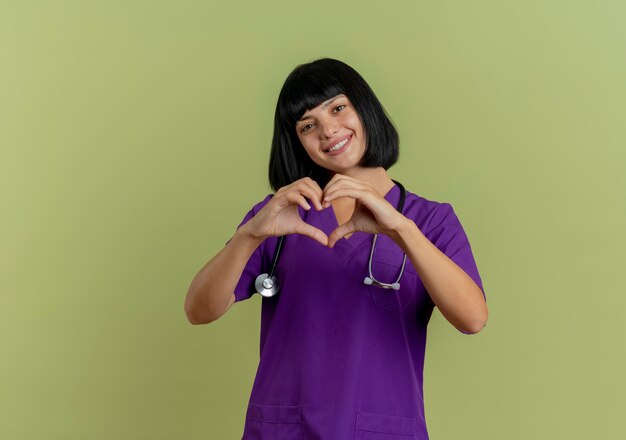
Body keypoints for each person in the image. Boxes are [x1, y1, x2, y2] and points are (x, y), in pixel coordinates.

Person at [184, 57, 488, 439]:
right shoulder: (279, 215)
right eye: (307, 125)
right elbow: (198, 310)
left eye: (338, 108)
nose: (328, 130)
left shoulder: (428, 220)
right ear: (296, 142)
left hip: (383, 430)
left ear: (365, 108)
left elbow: (473, 319)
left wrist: (399, 228)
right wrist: (249, 235)